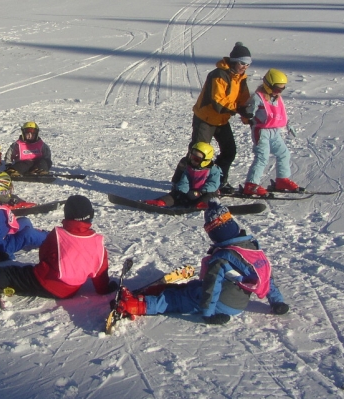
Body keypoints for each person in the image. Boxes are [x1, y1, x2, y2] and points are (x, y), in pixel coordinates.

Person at [115, 198, 289, 324]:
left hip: (222, 304)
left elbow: (211, 287)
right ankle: (156, 291)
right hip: (238, 302)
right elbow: (266, 278)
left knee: (176, 300)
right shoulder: (251, 249)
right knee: (188, 289)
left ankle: (137, 305)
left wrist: (208, 313)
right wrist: (277, 302)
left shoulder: (222, 258)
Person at [0, 195, 116, 302]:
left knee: (5, 273)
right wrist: (105, 289)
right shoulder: (98, 243)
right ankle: (12, 288)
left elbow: (44, 254)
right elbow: (100, 275)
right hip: (70, 291)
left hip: (46, 282)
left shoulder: (59, 234)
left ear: (67, 214)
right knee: (21, 279)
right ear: (91, 216)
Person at [171, 42, 252, 194]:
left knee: (229, 151)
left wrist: (248, 115)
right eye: (242, 63)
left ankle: (217, 182)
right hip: (205, 119)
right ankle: (180, 182)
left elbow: (243, 99)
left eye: (248, 64)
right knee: (197, 154)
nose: (245, 66)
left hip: (221, 120)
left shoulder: (241, 78)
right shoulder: (219, 74)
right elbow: (218, 102)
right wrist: (237, 109)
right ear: (234, 61)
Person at [241, 68, 300, 196]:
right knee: (262, 157)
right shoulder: (258, 97)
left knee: (284, 153)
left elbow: (281, 113)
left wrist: (288, 124)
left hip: (274, 131)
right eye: (277, 88)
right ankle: (251, 184)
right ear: (268, 85)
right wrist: (249, 114)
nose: (279, 92)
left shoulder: (277, 98)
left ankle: (282, 180)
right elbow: (247, 112)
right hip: (261, 132)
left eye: (282, 89)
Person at [145, 142, 221, 209]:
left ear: (205, 161)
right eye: (191, 157)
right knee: (176, 195)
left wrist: (200, 192)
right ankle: (161, 202)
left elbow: (213, 184)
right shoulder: (189, 168)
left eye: (196, 159)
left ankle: (202, 205)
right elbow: (185, 181)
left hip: (204, 193)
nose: (192, 161)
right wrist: (182, 191)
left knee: (211, 196)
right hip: (190, 193)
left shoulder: (213, 170)